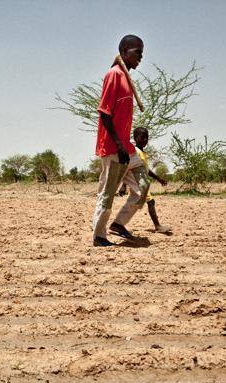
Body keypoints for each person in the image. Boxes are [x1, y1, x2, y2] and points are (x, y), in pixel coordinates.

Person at [91, 34, 145, 247]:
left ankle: (119, 224)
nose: (140, 57)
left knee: (142, 187)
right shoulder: (113, 75)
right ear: (124, 51)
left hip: (126, 148)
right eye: (137, 52)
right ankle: (99, 236)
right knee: (107, 193)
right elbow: (104, 113)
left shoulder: (126, 78)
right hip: (114, 148)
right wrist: (119, 144)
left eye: (142, 53)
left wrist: (125, 145)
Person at [117, 126, 171, 234]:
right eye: (142, 137)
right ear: (135, 138)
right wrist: (123, 185)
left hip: (141, 184)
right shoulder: (135, 152)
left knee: (135, 205)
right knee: (150, 202)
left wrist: (158, 178)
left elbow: (147, 170)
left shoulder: (143, 153)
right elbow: (128, 168)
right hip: (137, 183)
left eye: (147, 138)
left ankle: (119, 224)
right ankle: (157, 226)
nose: (145, 140)